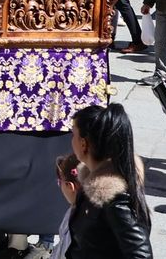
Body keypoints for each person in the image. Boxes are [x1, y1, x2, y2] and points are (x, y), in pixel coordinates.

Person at [58, 104, 152, 259]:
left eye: (73, 134)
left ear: (83, 144)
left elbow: (140, 255)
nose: (71, 140)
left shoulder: (116, 199)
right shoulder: (90, 184)